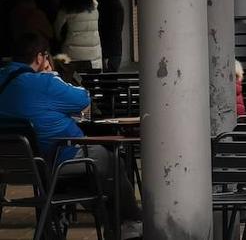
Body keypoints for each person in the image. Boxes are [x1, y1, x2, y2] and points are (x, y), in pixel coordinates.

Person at [0, 33, 142, 238]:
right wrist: (51, 76)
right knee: (110, 161)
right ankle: (130, 223)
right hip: (58, 159)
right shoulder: (43, 82)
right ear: (41, 58)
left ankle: (96, 223)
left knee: (88, 176)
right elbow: (83, 99)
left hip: (19, 166)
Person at [52, 0, 102, 70]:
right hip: (94, 58)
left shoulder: (65, 11)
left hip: (72, 57)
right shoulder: (94, 8)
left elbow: (57, 32)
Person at [94, 0, 125, 71]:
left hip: (108, 52)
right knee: (110, 82)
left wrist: (105, 53)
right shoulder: (115, 4)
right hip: (114, 51)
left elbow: (110, 31)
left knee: (107, 81)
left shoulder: (106, 5)